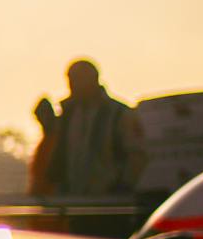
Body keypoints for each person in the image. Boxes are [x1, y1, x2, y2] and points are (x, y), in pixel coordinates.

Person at [43, 59, 146, 196]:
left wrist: (122, 188)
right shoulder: (68, 115)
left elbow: (137, 155)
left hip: (109, 204)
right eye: (71, 79)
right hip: (73, 202)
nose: (72, 85)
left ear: (94, 79)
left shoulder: (119, 114)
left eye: (78, 79)